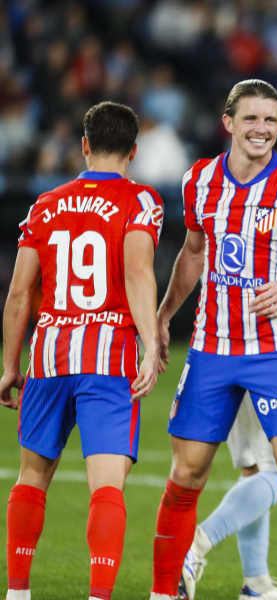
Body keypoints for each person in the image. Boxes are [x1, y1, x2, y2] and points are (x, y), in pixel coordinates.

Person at [151, 80, 277, 600]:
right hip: (212, 349)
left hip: (274, 352)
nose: (261, 129)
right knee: (186, 475)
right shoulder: (198, 181)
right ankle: (164, 591)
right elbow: (192, 254)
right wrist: (166, 315)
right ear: (228, 122)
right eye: (251, 119)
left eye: (270, 121)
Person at [1, 101, 162, 600]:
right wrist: (150, 342)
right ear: (134, 150)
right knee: (106, 486)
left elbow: (19, 293)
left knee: (32, 476)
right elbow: (137, 271)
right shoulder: (140, 201)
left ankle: (19, 593)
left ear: (85, 145)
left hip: (49, 356)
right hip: (107, 361)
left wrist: (10, 365)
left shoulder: (46, 204)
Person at [179, 130, 277, 600]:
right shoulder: (255, 200)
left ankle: (256, 582)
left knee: (256, 469)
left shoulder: (272, 209)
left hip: (229, 350)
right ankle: (198, 542)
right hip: (259, 350)